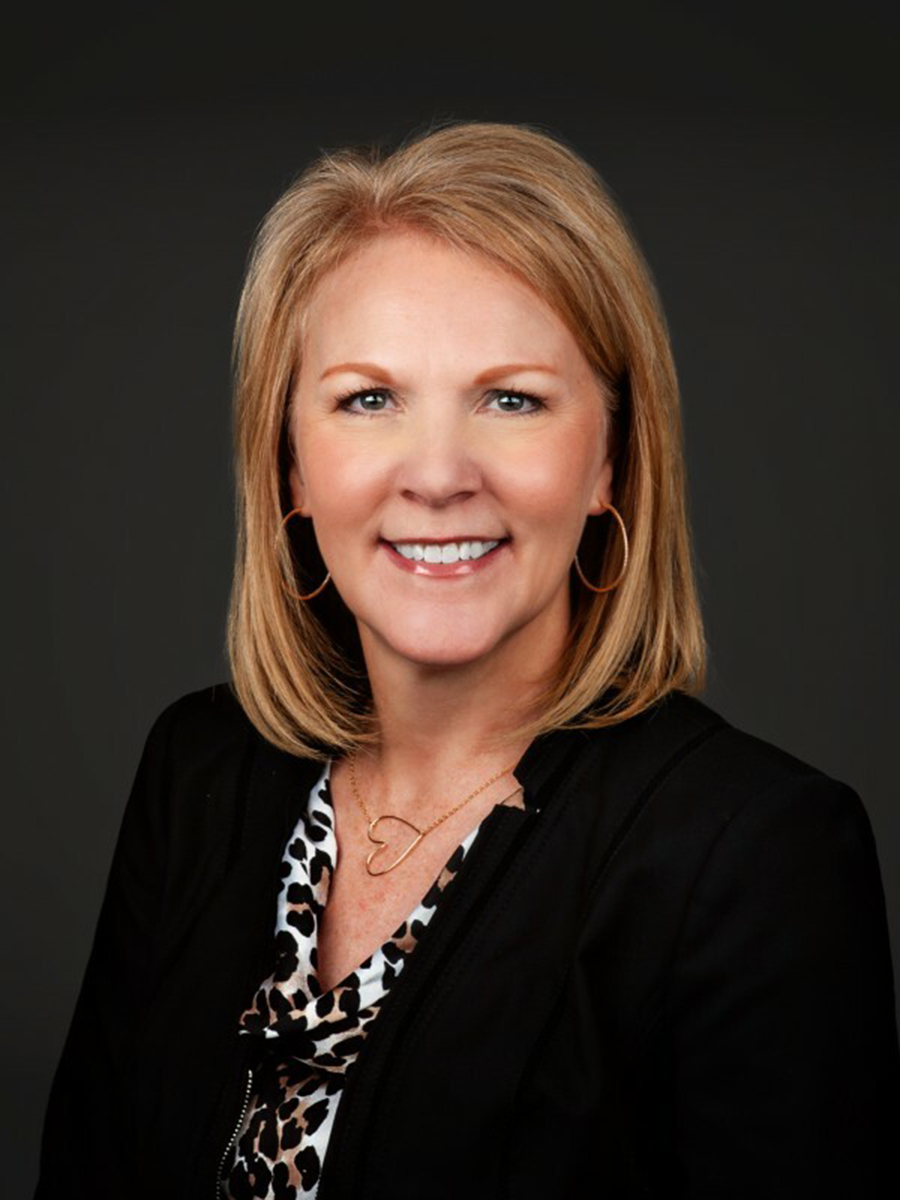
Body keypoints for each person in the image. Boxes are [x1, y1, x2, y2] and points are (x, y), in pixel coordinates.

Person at [34, 119, 899, 1199]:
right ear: (289, 466)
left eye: (512, 399)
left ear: (611, 465)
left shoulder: (753, 858)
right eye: (368, 399)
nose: (438, 474)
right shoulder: (199, 772)